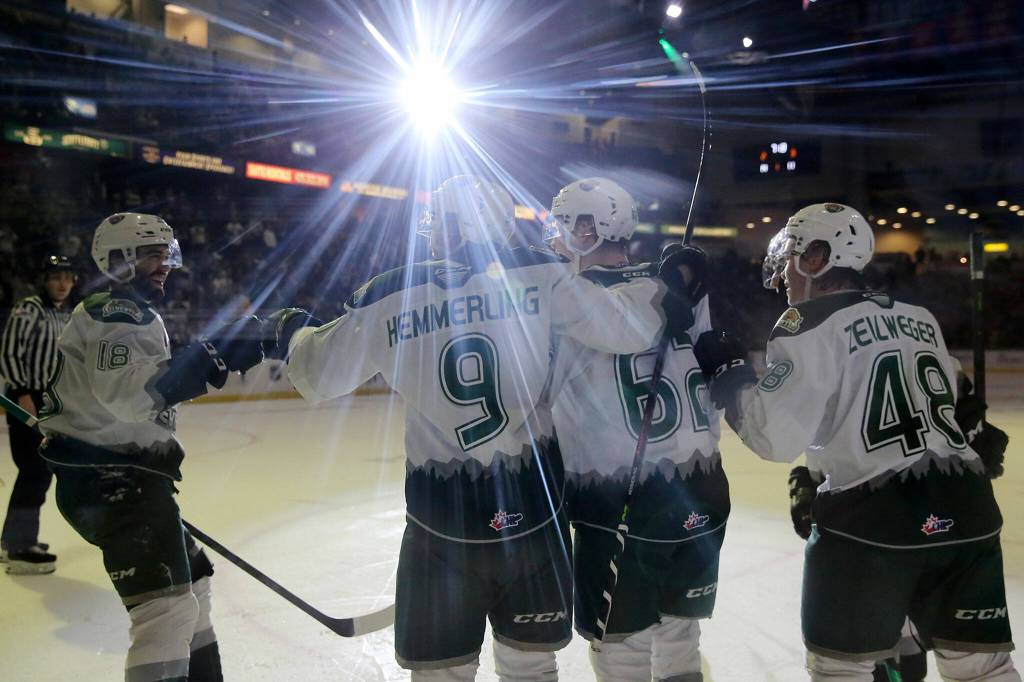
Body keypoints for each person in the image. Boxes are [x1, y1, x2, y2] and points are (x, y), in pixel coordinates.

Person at [267, 175, 699, 681]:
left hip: (440, 519)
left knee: (441, 673)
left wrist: (292, 328)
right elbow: (628, 328)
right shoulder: (542, 274)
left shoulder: (391, 292)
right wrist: (663, 287)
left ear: (448, 228)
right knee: (530, 667)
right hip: (533, 510)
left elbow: (315, 376)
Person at [693, 203, 1019, 681]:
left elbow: (773, 436)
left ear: (817, 258)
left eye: (791, 256)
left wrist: (730, 376)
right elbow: (948, 404)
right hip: (968, 510)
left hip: (874, 522)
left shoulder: (805, 325)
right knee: (984, 669)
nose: (783, 272)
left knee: (841, 670)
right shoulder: (918, 317)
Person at [37, 213, 264, 682]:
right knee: (165, 611)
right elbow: (128, 396)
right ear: (117, 261)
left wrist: (214, 352)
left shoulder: (127, 312)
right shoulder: (114, 313)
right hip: (112, 482)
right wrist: (211, 356)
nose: (164, 265)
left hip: (128, 479)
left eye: (167, 253)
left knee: (193, 584)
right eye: (152, 255)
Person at [544, 178, 728, 682]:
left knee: (622, 651)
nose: (554, 235)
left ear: (587, 228)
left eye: (563, 223)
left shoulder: (565, 296)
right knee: (679, 643)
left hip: (623, 501)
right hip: (703, 489)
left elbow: (533, 393)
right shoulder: (680, 285)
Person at [0, 255, 76, 574]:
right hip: (26, 401)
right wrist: (22, 395)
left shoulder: (67, 315)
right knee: (34, 471)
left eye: (67, 277)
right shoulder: (29, 308)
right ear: (44, 280)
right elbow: (9, 352)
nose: (61, 283)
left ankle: (15, 539)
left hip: (50, 405)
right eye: (55, 277)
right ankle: (19, 546)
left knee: (39, 472)